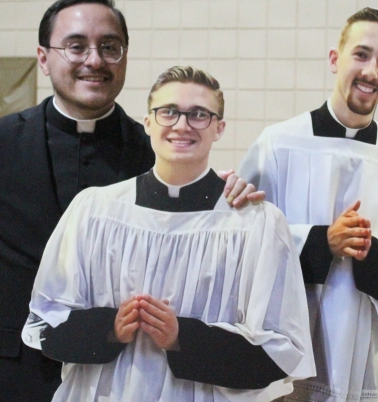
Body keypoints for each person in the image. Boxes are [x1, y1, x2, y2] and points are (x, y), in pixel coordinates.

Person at [0, 0, 260, 402]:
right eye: (76, 46)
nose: (94, 60)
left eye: (110, 47)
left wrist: (226, 190)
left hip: (118, 379)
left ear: (124, 57)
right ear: (44, 58)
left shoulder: (151, 150)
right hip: (11, 376)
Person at [22, 66, 315, 401]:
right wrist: (110, 328)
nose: (182, 124)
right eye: (169, 112)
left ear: (218, 128)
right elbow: (45, 324)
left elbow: (282, 350)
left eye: (199, 114)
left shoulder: (255, 224)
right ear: (148, 123)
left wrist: (182, 337)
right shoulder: (94, 210)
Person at [239, 8, 378, 401]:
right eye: (361, 55)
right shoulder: (277, 145)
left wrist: (375, 252)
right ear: (335, 60)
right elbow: (245, 244)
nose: (370, 71)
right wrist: (321, 241)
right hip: (283, 342)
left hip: (362, 346)